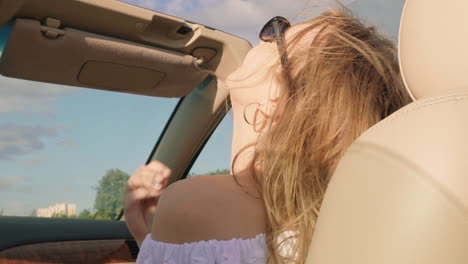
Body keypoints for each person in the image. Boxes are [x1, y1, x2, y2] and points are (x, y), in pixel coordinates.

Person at [124, 8, 411, 264]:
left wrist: (160, 233)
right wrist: (150, 234)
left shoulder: (191, 203)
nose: (264, 38)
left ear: (278, 96)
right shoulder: (355, 226)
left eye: (277, 33)